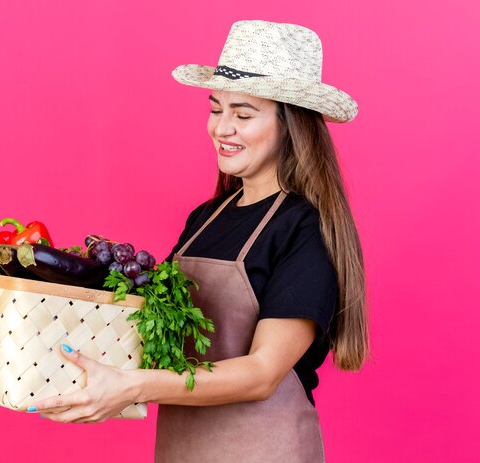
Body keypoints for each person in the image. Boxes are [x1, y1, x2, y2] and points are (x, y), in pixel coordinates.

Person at [28, 20, 368, 462]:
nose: (222, 128)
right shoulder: (207, 218)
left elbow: (262, 374)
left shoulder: (304, 228)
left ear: (291, 126)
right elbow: (154, 326)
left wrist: (134, 386)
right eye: (216, 109)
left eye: (243, 114)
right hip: (183, 449)